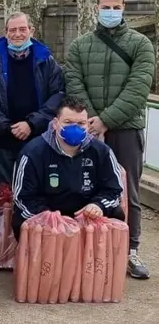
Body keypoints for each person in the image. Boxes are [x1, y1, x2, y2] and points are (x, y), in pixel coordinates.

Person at [64, 0, 154, 278]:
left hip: (125, 128)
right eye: (106, 6)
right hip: (87, 130)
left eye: (116, 7)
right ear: (96, 8)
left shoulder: (141, 44)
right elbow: (74, 82)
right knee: (82, 184)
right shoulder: (79, 46)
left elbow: (138, 88)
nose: (111, 12)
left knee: (129, 189)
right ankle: (86, 247)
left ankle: (130, 250)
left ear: (123, 9)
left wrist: (106, 120)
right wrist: (91, 120)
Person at [0, 12, 65, 186]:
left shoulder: (46, 61)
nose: (17, 34)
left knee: (34, 189)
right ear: (5, 32)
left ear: (32, 30)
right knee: (0, 195)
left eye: (22, 29)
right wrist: (7, 127)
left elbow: (57, 95)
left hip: (37, 138)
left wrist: (31, 124)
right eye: (12, 30)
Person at [12, 97, 125, 233]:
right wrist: (48, 216)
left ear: (88, 125)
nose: (75, 128)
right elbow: (22, 197)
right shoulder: (32, 153)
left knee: (117, 214)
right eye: (68, 122)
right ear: (55, 123)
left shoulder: (101, 151)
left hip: (86, 215)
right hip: (47, 219)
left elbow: (114, 190)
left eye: (81, 123)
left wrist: (98, 205)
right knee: (25, 222)